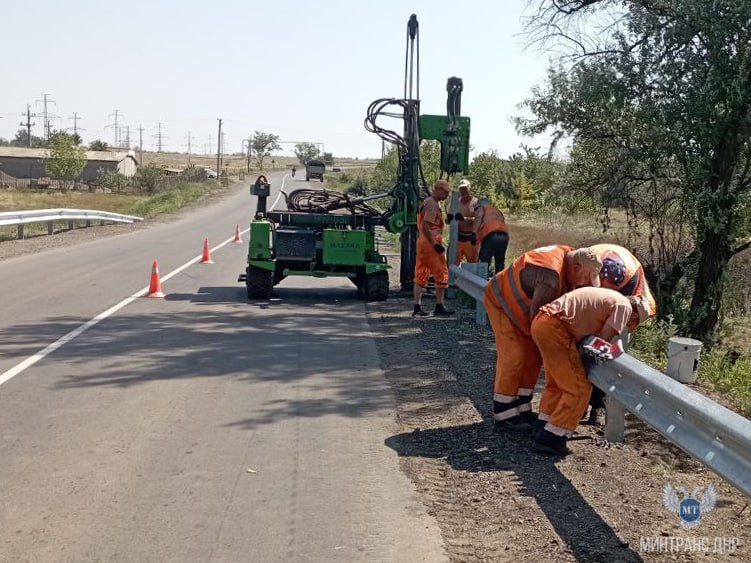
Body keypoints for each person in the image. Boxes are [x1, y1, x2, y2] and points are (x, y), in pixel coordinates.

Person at [483, 245, 603, 429]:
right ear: (577, 268)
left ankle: (522, 407)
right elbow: (538, 321)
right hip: (501, 301)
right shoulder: (550, 279)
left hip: (522, 307)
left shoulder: (571, 256)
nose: (586, 284)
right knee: (514, 354)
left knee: (532, 355)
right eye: (587, 278)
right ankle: (504, 413)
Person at [530, 287, 651, 454]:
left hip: (543, 322)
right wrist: (608, 353)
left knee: (557, 383)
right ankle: (552, 438)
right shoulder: (624, 307)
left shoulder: (611, 297)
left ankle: (543, 425)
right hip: (557, 329)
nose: (629, 327)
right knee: (579, 388)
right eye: (633, 324)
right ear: (635, 315)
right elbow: (603, 340)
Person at [586, 243, 657, 424]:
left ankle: (598, 406)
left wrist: (603, 341)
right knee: (582, 351)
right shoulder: (588, 266)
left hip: (625, 308)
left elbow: (633, 310)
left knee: (609, 356)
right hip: (589, 302)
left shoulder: (631, 279)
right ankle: (579, 403)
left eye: (612, 290)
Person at [413, 179, 454, 317]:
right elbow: (426, 226)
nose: (447, 195)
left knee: (421, 273)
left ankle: (417, 306)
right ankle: (439, 306)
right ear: (438, 189)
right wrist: (436, 244)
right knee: (441, 272)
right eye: (445, 192)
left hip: (423, 243)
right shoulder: (432, 205)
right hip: (431, 243)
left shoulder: (428, 202)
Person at [473, 197, 509, 276]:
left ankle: (481, 282)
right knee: (500, 261)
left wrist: (473, 232)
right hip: (504, 236)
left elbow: (478, 217)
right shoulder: (497, 210)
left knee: (484, 262)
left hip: (491, 236)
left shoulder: (481, 208)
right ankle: (500, 283)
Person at [448, 179, 479, 264]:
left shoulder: (475, 202)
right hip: (457, 238)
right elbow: (450, 217)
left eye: (465, 188)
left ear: (469, 189)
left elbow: (478, 220)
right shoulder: (456, 202)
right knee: (452, 264)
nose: (463, 191)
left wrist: (464, 219)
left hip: (470, 239)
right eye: (461, 189)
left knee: (472, 264)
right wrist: (449, 219)